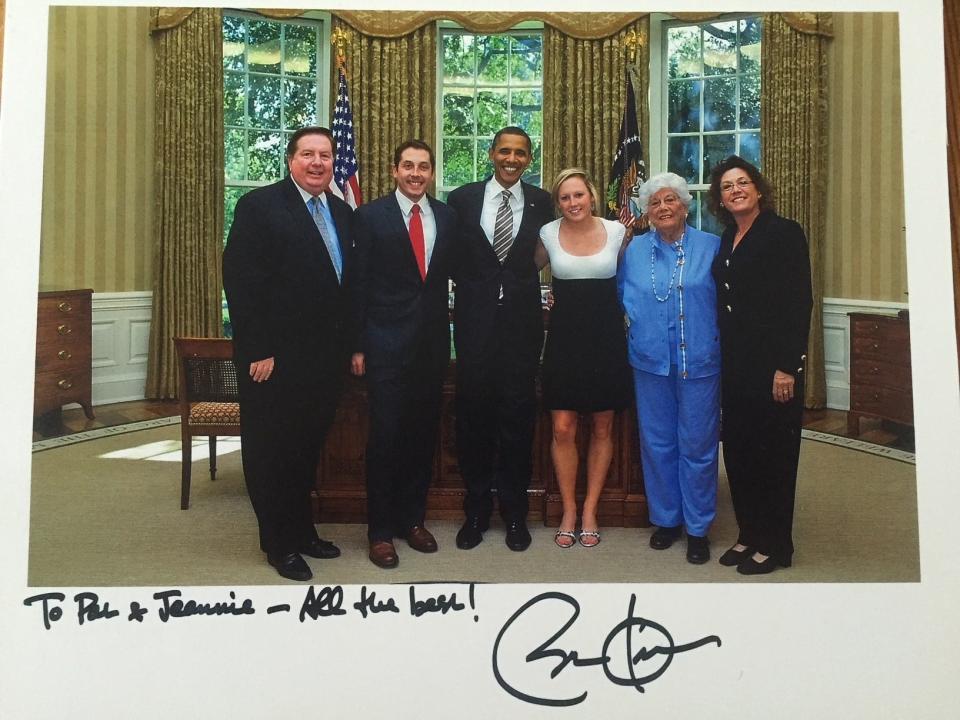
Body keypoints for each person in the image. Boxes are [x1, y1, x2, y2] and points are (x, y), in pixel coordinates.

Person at [222, 126, 352, 582]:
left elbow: (342, 288)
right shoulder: (260, 206)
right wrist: (259, 348)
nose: (318, 163)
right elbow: (241, 282)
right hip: (273, 360)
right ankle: (278, 544)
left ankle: (302, 532)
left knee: (304, 450)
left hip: (323, 359)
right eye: (308, 155)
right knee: (271, 451)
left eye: (326, 155)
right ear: (291, 160)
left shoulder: (340, 210)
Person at [349, 140, 457, 569]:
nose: (416, 173)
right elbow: (356, 285)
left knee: (420, 435)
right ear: (394, 170)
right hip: (383, 345)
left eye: (424, 167)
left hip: (430, 346)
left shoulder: (447, 217)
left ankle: (413, 520)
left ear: (432, 173)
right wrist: (357, 344)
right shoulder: (369, 216)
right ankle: (379, 531)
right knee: (385, 437)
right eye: (408, 166)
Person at [446, 126, 554, 552]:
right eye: (505, 151)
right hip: (474, 325)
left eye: (521, 153)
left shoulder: (543, 201)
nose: (512, 159)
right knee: (473, 419)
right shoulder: (463, 199)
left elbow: (552, 250)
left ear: (530, 159)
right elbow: (451, 256)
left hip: (523, 327)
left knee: (517, 419)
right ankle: (475, 511)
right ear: (491, 154)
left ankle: (514, 512)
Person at [707, 155, 812, 575]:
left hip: (774, 367)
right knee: (740, 451)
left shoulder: (784, 233)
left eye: (742, 182)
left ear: (759, 189)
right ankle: (749, 534)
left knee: (775, 456)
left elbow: (798, 301)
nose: (735, 190)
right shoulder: (728, 235)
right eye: (727, 186)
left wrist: (788, 366)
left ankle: (776, 545)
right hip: (735, 365)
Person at [618, 172, 721, 564]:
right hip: (649, 363)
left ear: (684, 205)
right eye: (655, 203)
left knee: (698, 446)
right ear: (646, 212)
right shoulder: (633, 251)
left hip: (699, 361)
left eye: (670, 201)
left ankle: (698, 528)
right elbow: (618, 299)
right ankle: (666, 520)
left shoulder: (712, 247)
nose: (663, 208)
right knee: (657, 443)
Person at [537, 168, 633, 548]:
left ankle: (591, 509)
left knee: (602, 427)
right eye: (565, 198)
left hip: (606, 340)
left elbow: (635, 278)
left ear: (591, 196)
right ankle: (569, 509)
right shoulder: (547, 233)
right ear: (558, 203)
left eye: (578, 195)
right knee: (562, 427)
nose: (573, 203)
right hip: (563, 340)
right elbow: (517, 274)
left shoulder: (617, 232)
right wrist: (543, 296)